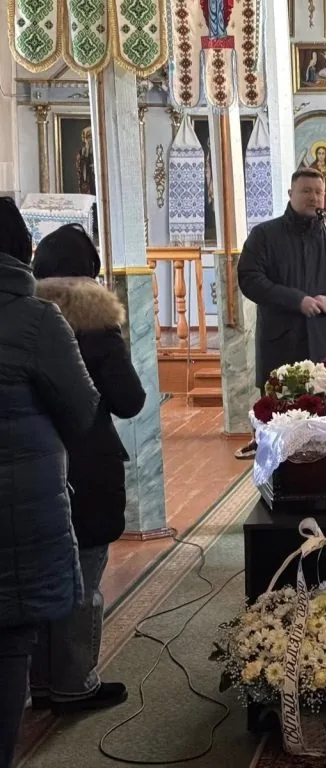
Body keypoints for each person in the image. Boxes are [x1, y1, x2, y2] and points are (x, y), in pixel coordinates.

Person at [29, 224, 146, 714]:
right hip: (87, 466)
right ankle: (76, 684)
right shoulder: (94, 321)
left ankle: (38, 683)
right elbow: (129, 399)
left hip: (32, 465)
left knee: (38, 576)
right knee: (82, 577)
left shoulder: (23, 317)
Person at [0, 199, 100, 768]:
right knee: (12, 639)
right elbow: (83, 408)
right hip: (17, 509)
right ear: (22, 249)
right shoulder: (36, 319)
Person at [235, 168, 326, 459]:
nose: (313, 197)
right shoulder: (264, 235)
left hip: (322, 344)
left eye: (319, 192)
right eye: (306, 191)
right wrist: (297, 300)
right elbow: (249, 278)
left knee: (321, 428)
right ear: (291, 194)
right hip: (280, 344)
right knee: (279, 428)